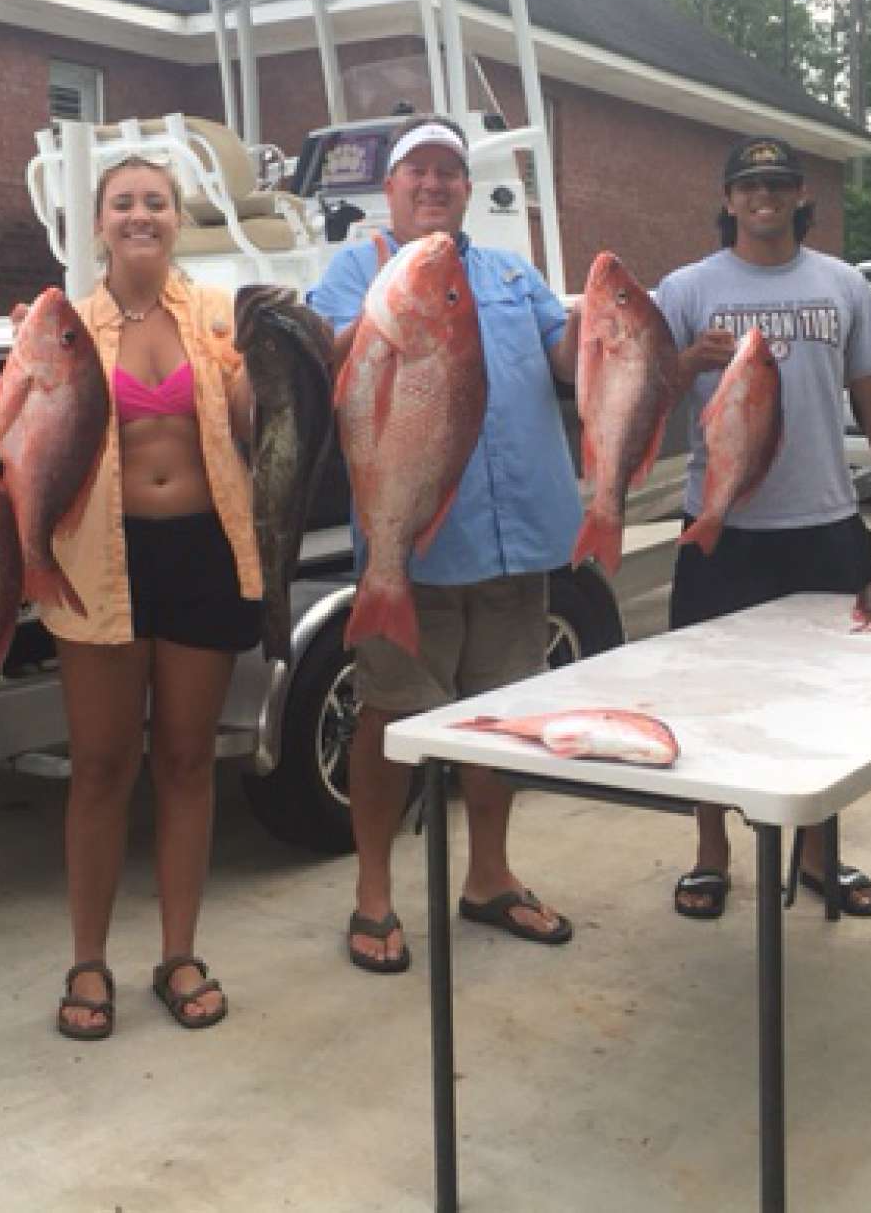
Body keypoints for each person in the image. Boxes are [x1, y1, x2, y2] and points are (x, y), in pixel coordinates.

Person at [309, 115, 582, 972]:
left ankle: (489, 877)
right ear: (388, 188)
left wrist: (614, 323)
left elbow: (566, 360)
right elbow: (319, 362)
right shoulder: (358, 268)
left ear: (469, 189)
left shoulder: (509, 270)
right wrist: (377, 322)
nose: (433, 185)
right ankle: (374, 894)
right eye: (416, 172)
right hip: (414, 542)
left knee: (501, 721)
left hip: (516, 542)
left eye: (449, 173)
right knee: (390, 717)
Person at [656, 134, 871, 922]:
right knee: (706, 700)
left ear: (803, 197)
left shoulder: (842, 284)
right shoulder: (685, 288)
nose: (763, 196)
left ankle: (817, 854)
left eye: (777, 184)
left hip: (825, 523)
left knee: (825, 702)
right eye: (749, 185)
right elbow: (637, 390)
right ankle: (710, 855)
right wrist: (683, 367)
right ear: (728, 199)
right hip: (720, 526)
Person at [40, 153, 262, 1039]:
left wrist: (259, 364)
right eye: (124, 202)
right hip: (101, 559)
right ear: (97, 222)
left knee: (185, 761)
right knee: (98, 767)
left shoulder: (217, 314)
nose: (142, 214)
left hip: (204, 550)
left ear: (178, 220)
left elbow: (253, 426)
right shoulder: (63, 326)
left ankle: (179, 953)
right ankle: (87, 960)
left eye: (157, 202)